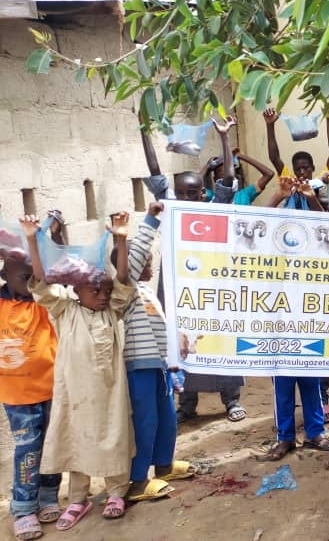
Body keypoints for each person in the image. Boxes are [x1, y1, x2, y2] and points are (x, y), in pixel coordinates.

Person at [22, 212, 134, 528]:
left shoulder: (112, 312)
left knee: (115, 437)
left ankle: (116, 492)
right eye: (94, 291)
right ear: (76, 292)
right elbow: (42, 283)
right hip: (76, 395)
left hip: (110, 393)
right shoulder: (65, 311)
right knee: (77, 442)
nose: (103, 296)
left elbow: (121, 280)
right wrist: (32, 240)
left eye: (105, 292)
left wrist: (121, 238)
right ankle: (77, 500)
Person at [117, 203, 203, 505]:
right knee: (146, 422)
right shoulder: (125, 290)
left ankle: (164, 465)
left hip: (159, 367)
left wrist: (174, 358)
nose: (150, 265)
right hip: (139, 367)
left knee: (166, 418)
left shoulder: (146, 291)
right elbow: (132, 260)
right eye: (146, 261)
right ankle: (138, 480)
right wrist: (150, 222)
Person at [171, 120, 248, 424]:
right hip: (184, 293)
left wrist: (225, 138)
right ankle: (187, 404)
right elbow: (156, 176)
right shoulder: (172, 214)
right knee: (185, 346)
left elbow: (227, 181)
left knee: (222, 342)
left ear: (202, 194)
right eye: (182, 194)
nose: (187, 199)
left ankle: (231, 400)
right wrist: (144, 133)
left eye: (193, 194)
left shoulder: (214, 210)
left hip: (216, 290)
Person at [0, 250, 62, 540]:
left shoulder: (42, 302)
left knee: (52, 444)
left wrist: (47, 238)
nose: (32, 282)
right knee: (28, 448)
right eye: (25, 277)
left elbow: (50, 269)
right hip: (17, 395)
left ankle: (49, 496)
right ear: (4, 276)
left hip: (50, 388)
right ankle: (24, 508)